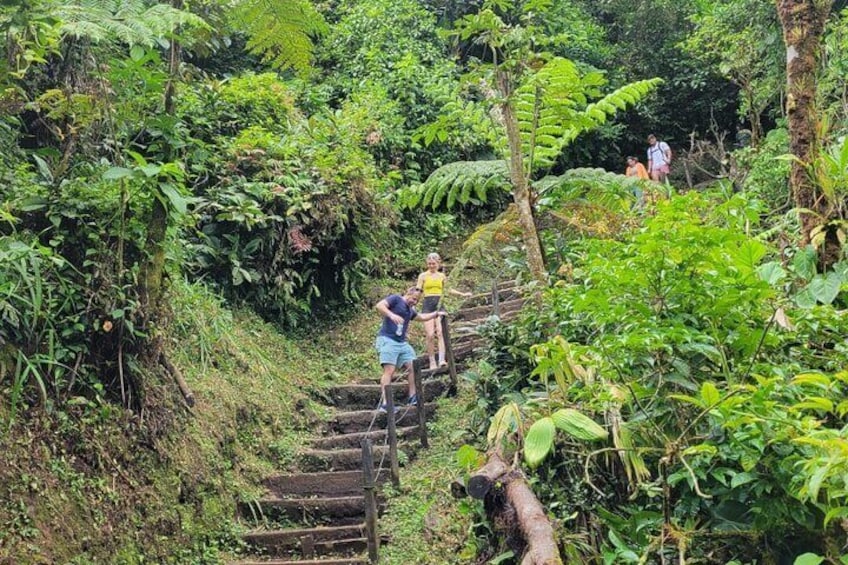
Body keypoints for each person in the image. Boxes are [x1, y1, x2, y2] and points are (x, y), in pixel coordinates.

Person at [374, 286, 445, 412]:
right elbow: (379, 305)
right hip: (388, 340)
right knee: (389, 370)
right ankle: (386, 403)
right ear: (408, 293)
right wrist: (391, 315)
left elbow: (421, 317)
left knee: (413, 365)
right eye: (413, 298)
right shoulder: (396, 299)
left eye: (417, 300)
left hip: (401, 343)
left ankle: (412, 397)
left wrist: (436, 314)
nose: (414, 302)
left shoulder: (410, 310)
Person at [416, 253, 472, 370]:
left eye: (434, 264)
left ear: (438, 264)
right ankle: (432, 361)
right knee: (430, 334)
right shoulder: (423, 276)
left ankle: (441, 359)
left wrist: (462, 294)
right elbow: (418, 292)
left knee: (441, 332)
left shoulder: (442, 276)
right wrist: (411, 303)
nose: (431, 266)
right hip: (427, 305)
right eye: (429, 264)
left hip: (439, 304)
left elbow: (448, 289)